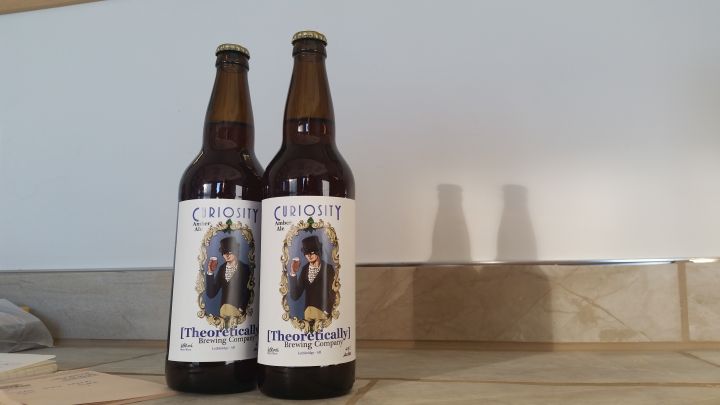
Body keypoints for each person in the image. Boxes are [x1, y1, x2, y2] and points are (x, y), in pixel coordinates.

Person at [288, 235, 337, 328]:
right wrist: (293, 272)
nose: (309, 256)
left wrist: (327, 311)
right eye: (306, 253)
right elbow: (295, 295)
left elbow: (333, 292)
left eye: (312, 252)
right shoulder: (305, 269)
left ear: (318, 251)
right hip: (307, 314)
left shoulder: (328, 269)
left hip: (322, 313)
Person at [206, 236, 251, 319]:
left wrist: (241, 309)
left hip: (238, 312)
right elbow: (211, 293)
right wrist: (210, 272)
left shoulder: (244, 268)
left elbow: (248, 290)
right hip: (223, 311)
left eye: (229, 252)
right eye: (224, 252)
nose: (226, 255)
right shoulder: (222, 268)